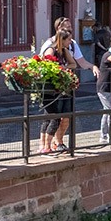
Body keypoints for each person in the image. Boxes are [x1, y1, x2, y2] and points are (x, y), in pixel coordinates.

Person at [38, 25, 79, 154]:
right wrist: (60, 68)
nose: (70, 42)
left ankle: (45, 146)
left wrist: (64, 67)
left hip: (61, 87)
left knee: (51, 117)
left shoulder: (64, 51)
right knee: (53, 118)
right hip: (50, 88)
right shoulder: (51, 50)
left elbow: (73, 64)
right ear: (62, 39)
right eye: (68, 40)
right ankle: (45, 146)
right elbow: (47, 67)